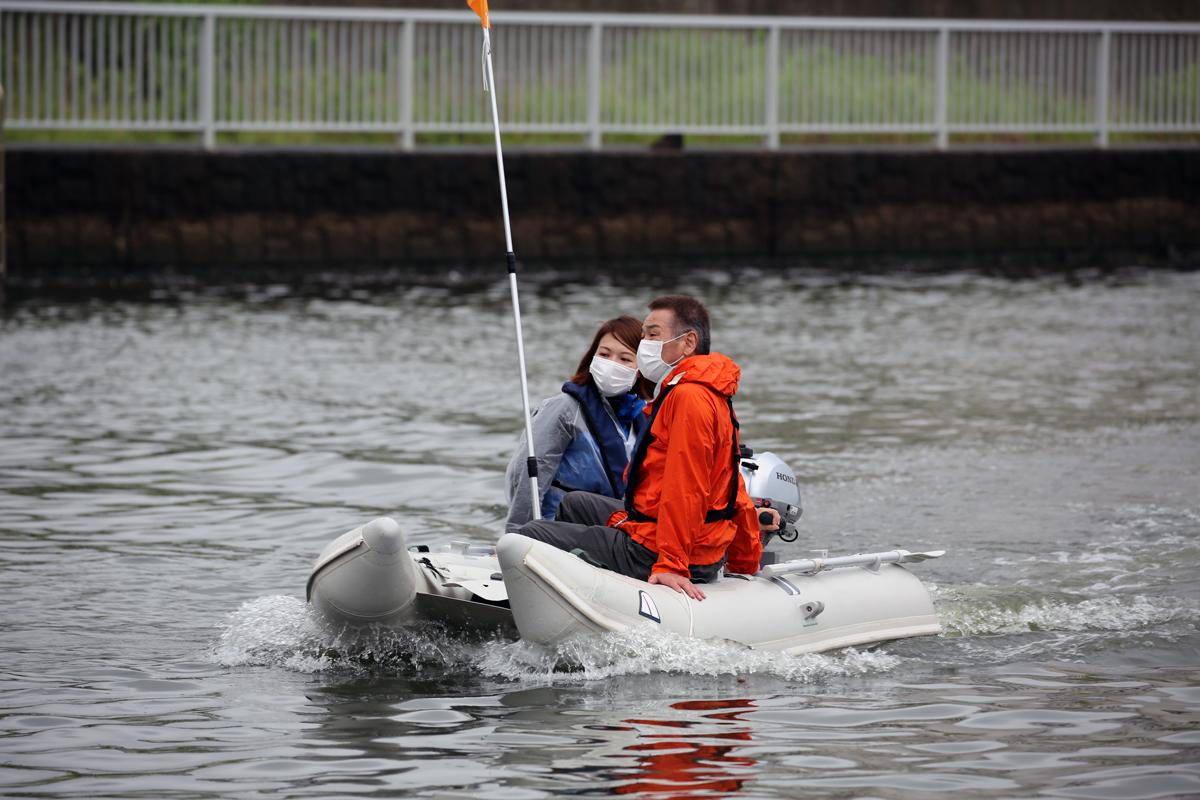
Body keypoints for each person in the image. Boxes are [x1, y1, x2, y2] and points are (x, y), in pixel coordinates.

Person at [517, 295, 779, 600]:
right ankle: (576, 593)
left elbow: (686, 489)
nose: (644, 344)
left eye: (653, 335)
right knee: (576, 504)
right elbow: (735, 488)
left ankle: (564, 599)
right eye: (643, 335)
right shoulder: (709, 391)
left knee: (528, 537)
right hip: (677, 535)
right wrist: (746, 562)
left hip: (665, 551)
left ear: (688, 343)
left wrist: (672, 564)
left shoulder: (688, 398)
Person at [505, 316, 652, 531]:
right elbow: (528, 474)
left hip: (609, 531)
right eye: (604, 354)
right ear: (592, 357)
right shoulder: (564, 408)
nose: (612, 364)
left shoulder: (643, 419)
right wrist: (518, 533)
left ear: (640, 370)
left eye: (625, 359)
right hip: (555, 526)